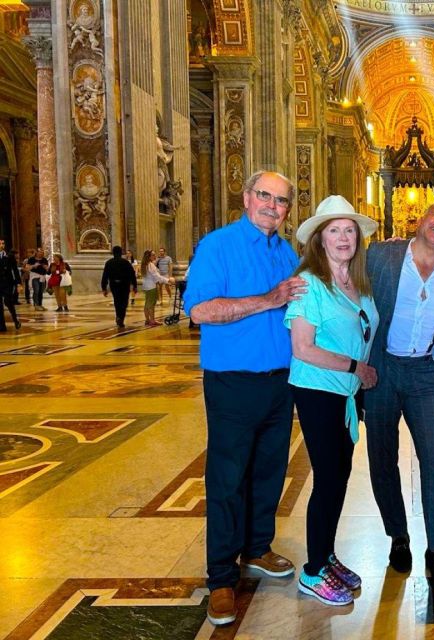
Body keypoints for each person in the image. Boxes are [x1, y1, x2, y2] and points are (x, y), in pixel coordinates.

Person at [184, 170, 306, 626]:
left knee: (270, 471)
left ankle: (256, 548)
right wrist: (267, 299)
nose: (272, 206)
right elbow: (200, 310)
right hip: (233, 381)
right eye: (265, 196)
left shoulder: (286, 250)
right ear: (246, 196)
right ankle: (220, 577)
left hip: (281, 381)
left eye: (281, 200)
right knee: (228, 477)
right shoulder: (218, 245)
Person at [364, 201, 434, 590]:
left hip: (425, 373)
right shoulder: (382, 255)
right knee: (382, 458)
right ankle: (398, 537)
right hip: (383, 368)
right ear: (422, 220)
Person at [285, 195, 379, 606]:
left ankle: (327, 556)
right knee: (327, 479)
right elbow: (303, 348)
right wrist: (356, 367)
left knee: (339, 476)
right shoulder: (309, 284)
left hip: (345, 394)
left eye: (349, 230)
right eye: (334, 230)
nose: (343, 237)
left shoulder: (357, 283)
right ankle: (311, 571)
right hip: (318, 390)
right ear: (319, 239)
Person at [101, 246, 138, 328]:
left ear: (113, 253)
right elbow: (132, 275)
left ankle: (118, 316)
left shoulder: (109, 263)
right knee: (124, 302)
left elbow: (105, 276)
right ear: (121, 253)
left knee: (117, 301)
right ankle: (121, 318)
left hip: (114, 285)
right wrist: (135, 286)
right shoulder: (126, 262)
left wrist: (104, 288)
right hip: (124, 285)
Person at [140, 250, 174, 326]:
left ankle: (147, 320)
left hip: (146, 286)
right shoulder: (150, 265)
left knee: (147, 304)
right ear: (149, 256)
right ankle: (152, 321)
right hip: (151, 287)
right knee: (151, 305)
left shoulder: (144, 264)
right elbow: (157, 277)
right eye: (153, 255)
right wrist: (168, 280)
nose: (155, 256)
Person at [0, 240, 22, 331]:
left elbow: (15, 270)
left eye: (3, 243)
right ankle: (1, 326)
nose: (2, 245)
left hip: (8, 282)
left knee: (8, 301)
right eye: (0, 243)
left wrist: (19, 283)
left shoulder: (9, 257)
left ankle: (15, 320)